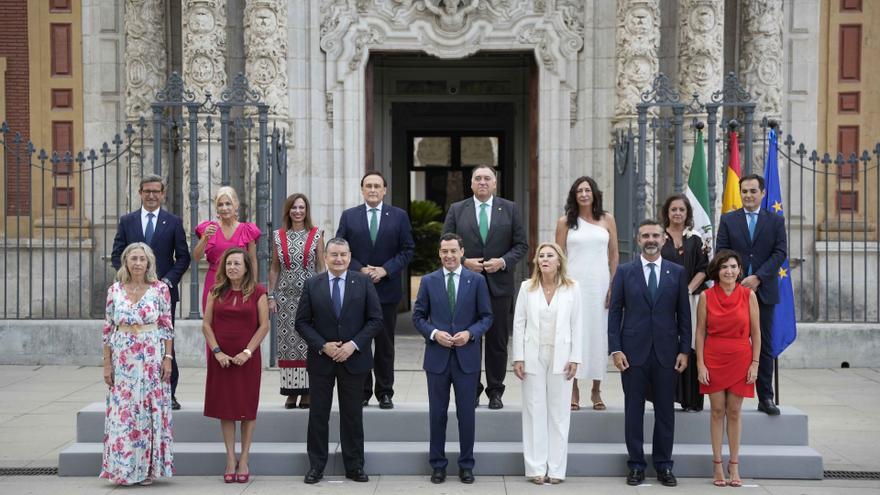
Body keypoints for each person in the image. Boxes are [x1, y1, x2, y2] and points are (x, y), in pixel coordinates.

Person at [608, 219, 691, 487]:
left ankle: (664, 465)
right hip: (633, 354)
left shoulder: (677, 273)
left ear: (664, 239)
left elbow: (684, 315)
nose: (651, 239)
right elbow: (615, 313)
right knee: (634, 411)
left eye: (655, 235)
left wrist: (684, 350)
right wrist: (615, 348)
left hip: (667, 353)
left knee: (665, 412)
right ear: (638, 240)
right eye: (645, 235)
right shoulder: (624, 271)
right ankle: (635, 465)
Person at [295, 238, 383, 484]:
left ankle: (355, 466)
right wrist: (323, 345)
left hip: (354, 360)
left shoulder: (363, 282)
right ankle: (316, 466)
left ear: (349, 255)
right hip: (322, 360)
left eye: (343, 255)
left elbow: (375, 320)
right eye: (334, 255)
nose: (339, 259)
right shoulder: (313, 284)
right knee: (318, 415)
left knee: (352, 415)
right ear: (325, 256)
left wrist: (353, 346)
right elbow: (301, 322)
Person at [443, 165, 528, 409]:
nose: (482, 182)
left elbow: (521, 245)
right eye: (477, 178)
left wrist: (503, 262)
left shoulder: (510, 209)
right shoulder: (458, 210)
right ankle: (472, 389)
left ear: (495, 183)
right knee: (468, 340)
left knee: (497, 341)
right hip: (466, 286)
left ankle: (495, 391)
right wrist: (463, 260)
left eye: (487, 178)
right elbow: (445, 240)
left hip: (499, 286)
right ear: (471, 184)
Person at [412, 233, 493, 484]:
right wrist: (435, 334)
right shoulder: (428, 281)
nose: (448, 255)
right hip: (437, 358)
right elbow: (418, 317)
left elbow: (486, 317)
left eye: (453, 251)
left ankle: (466, 465)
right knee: (437, 414)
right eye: (444, 251)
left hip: (466, 358)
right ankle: (438, 465)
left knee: (466, 415)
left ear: (461, 252)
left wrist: (470, 334)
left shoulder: (476, 281)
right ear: (439, 253)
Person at [336, 170, 414, 409]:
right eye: (368, 186)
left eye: (377, 186)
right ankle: (363, 391)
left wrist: (385, 270)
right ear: (362, 190)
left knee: (384, 344)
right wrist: (360, 269)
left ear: (384, 190)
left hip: (387, 290)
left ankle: (385, 391)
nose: (372, 190)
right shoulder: (349, 217)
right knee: (359, 342)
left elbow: (408, 249)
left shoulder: (399, 216)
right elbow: (340, 247)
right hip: (356, 290)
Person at [111, 174, 190, 410]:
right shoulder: (127, 221)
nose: (152, 195)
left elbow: (183, 257)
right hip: (133, 294)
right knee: (134, 341)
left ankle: (169, 392)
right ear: (140, 193)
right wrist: (129, 280)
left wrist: (166, 282)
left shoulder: (173, 221)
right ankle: (135, 391)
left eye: (156, 191)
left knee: (165, 340)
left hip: (163, 294)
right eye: (147, 191)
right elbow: (117, 255)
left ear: (163, 193)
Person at [100, 242, 174, 486]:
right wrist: (107, 364)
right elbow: (108, 329)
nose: (138, 263)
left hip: (151, 357)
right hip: (123, 359)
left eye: (142, 259)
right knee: (125, 413)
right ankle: (123, 468)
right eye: (134, 259)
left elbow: (166, 327)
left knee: (147, 411)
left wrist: (168, 358)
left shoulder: (160, 289)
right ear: (126, 262)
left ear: (149, 262)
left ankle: (146, 468)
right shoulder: (115, 291)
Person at [716, 174, 787, 416]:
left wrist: (758, 277)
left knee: (763, 344)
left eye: (753, 191)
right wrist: (736, 280)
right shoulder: (728, 220)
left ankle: (765, 396)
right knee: (730, 344)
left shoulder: (775, 221)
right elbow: (721, 251)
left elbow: (780, 253)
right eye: (744, 191)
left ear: (763, 193)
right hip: (733, 291)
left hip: (764, 291)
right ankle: (727, 393)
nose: (748, 195)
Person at [512, 242, 583, 484]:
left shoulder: (573, 288)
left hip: (561, 356)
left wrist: (575, 358)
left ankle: (556, 470)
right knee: (534, 411)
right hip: (533, 354)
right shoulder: (526, 288)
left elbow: (578, 325)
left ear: (559, 261)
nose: (544, 259)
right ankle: (535, 468)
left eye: (549, 255)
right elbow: (519, 323)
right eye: (541, 256)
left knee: (559, 413)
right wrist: (518, 357)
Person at [202, 248, 270, 483]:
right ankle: (230, 458)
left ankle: (244, 459)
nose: (232, 267)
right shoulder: (215, 291)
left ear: (246, 267)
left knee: (246, 409)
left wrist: (248, 352)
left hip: (247, 359)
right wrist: (217, 352)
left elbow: (264, 326)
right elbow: (206, 325)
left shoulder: (258, 292)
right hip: (221, 360)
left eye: (237, 264)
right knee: (226, 409)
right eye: (228, 263)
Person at [696, 249, 761, 487]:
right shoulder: (706, 296)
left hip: (741, 357)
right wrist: (700, 364)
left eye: (733, 267)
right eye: (724, 267)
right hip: (713, 356)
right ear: (717, 270)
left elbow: (757, 332)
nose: (729, 271)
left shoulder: (748, 296)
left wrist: (755, 363)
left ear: (740, 270)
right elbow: (700, 332)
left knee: (734, 411)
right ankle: (716, 465)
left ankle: (734, 465)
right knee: (716, 410)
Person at [555, 176, 619, 411]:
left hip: (600, 285)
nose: (584, 194)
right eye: (579, 190)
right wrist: (559, 286)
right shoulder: (564, 222)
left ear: (594, 194)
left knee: (597, 334)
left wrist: (614, 285)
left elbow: (613, 255)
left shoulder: (607, 219)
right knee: (573, 335)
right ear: (574, 194)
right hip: (573, 284)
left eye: (587, 190)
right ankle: (573, 389)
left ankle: (596, 389)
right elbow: (558, 256)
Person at [269, 193, 324, 409]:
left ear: (306, 210)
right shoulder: (278, 236)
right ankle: (291, 392)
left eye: (301, 208)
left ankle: (308, 392)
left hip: (310, 296)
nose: (298, 211)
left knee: (307, 343)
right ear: (288, 210)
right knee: (287, 345)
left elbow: (321, 266)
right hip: (285, 296)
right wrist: (271, 295)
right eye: (294, 207)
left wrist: (324, 295)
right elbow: (274, 267)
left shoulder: (316, 234)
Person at [660, 193, 709, 412]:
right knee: (668, 344)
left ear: (688, 212)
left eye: (681, 209)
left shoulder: (695, 238)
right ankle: (668, 396)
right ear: (667, 213)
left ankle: (691, 399)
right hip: (664, 301)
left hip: (691, 299)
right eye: (674, 210)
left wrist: (687, 289)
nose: (678, 213)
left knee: (690, 343)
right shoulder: (659, 238)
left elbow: (704, 268)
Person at [194, 186, 261, 312]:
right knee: (212, 323)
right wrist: (205, 238)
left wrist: (252, 285)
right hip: (214, 282)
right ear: (216, 208)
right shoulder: (209, 228)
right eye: (220, 205)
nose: (224, 208)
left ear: (236, 205)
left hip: (240, 283)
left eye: (228, 204)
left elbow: (252, 261)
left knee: (238, 324)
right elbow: (196, 257)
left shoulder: (247, 230)